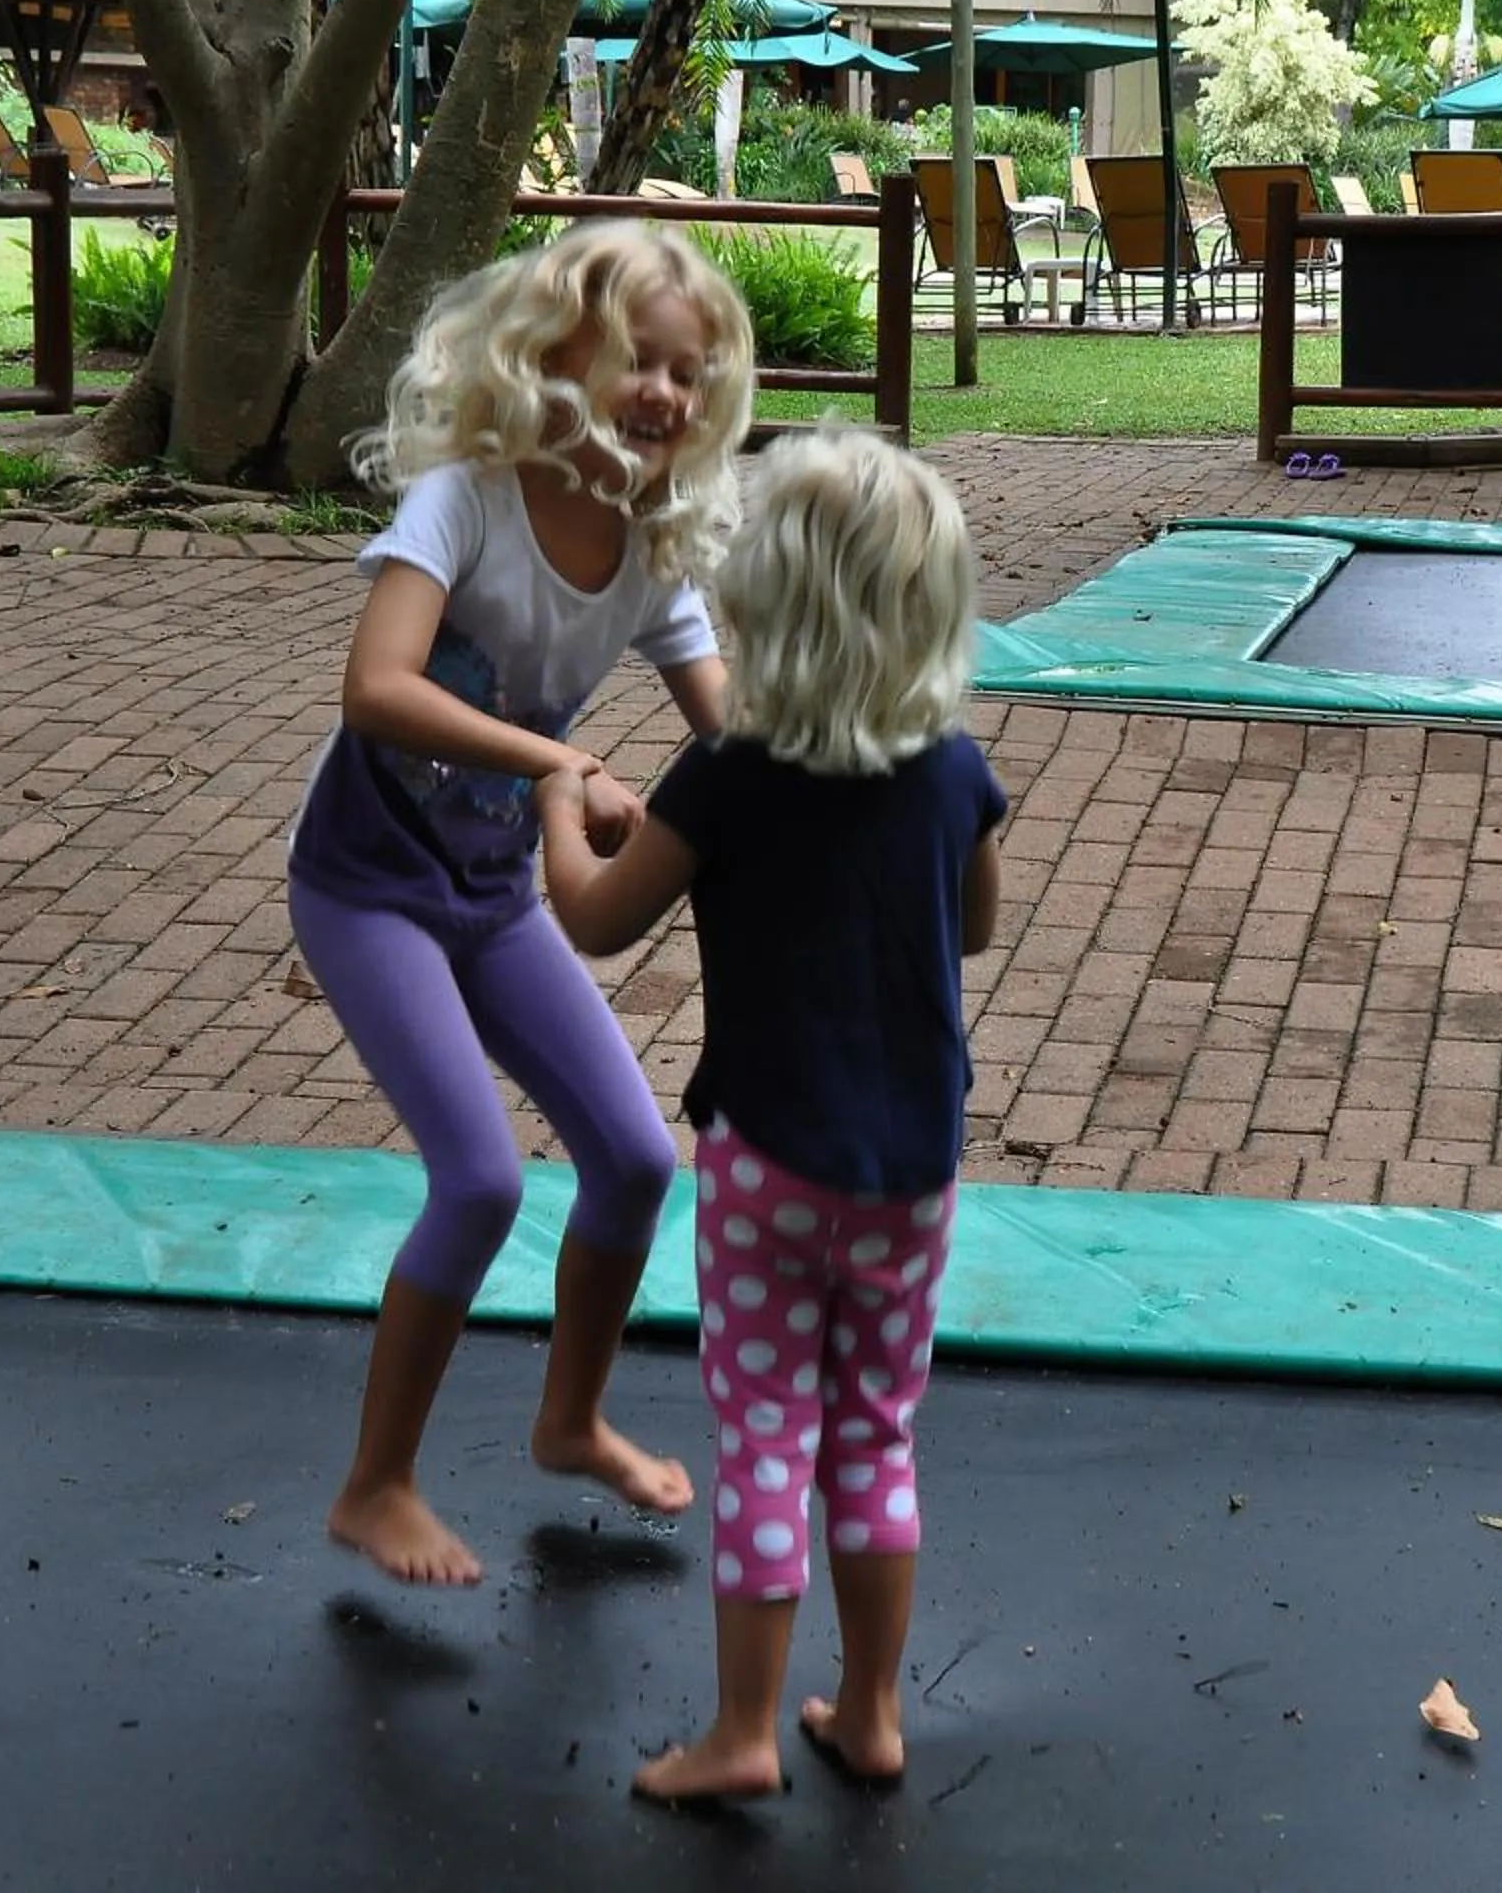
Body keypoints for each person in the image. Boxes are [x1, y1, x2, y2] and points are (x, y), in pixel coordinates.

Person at [535, 424, 1006, 1805]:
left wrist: (565, 800)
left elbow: (598, 921)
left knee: (765, 1439)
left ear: (762, 606)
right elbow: (972, 927)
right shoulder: (951, 767)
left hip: (768, 1171)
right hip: (913, 1173)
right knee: (872, 1437)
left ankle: (742, 1734)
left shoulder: (729, 772)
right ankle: (869, 1715)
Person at [287, 219, 755, 1587]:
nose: (665, 393)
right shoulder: (468, 500)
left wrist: (845, 795)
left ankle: (568, 1420)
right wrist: (564, 764)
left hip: (490, 896)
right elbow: (376, 688)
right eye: (639, 361)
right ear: (556, 355)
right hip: (364, 889)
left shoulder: (656, 549)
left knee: (635, 1161)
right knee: (482, 1178)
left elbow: (734, 748)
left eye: (691, 372)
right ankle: (375, 1487)